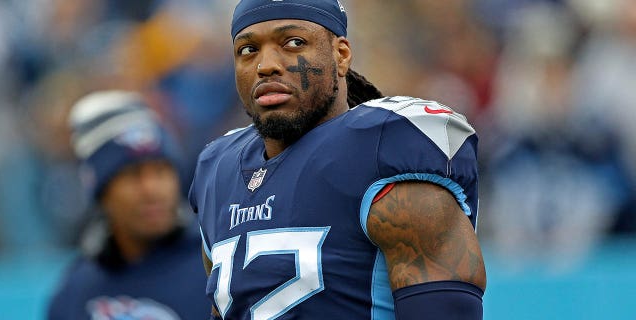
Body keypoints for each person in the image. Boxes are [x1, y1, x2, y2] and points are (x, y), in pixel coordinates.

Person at [188, 1, 486, 319]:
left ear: (340, 55)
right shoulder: (218, 169)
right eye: (248, 49)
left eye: (293, 43)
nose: (266, 65)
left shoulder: (382, 148)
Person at [47, 91, 211, 319]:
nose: (152, 190)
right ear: (101, 191)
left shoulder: (216, 270)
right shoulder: (77, 290)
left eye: (161, 171)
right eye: (133, 175)